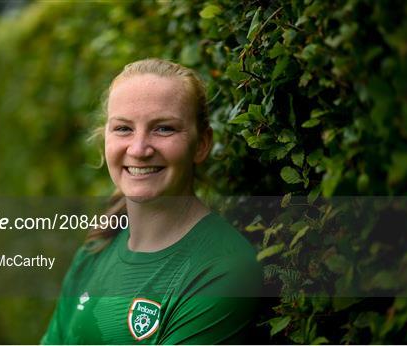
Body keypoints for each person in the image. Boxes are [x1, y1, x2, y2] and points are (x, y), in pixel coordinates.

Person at [41, 58, 262, 344]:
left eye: (164, 129)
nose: (139, 149)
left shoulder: (223, 269)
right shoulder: (97, 248)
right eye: (123, 129)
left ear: (202, 144)